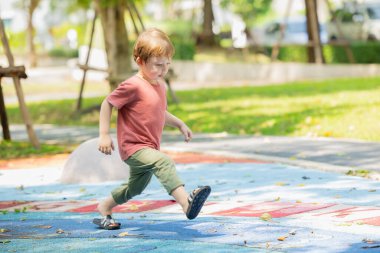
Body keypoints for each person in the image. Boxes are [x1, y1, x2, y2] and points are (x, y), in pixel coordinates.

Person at [92, 28, 211, 230]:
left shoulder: (158, 84)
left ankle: (105, 207)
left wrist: (180, 123)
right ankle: (186, 204)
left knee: (135, 188)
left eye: (167, 64)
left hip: (149, 148)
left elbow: (159, 111)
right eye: (157, 65)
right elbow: (108, 103)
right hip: (133, 148)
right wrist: (104, 135)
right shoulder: (133, 85)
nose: (163, 69)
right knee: (163, 162)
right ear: (140, 61)